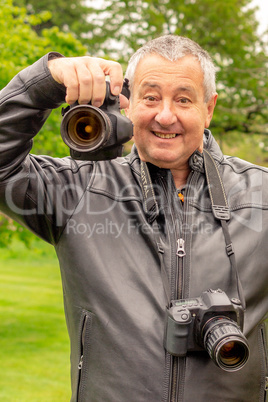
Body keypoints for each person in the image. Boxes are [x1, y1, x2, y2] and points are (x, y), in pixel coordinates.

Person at [0, 35, 267, 401]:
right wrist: (45, 81)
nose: (165, 115)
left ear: (209, 108)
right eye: (151, 97)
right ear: (129, 105)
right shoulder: (78, 188)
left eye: (184, 99)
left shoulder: (260, 196)